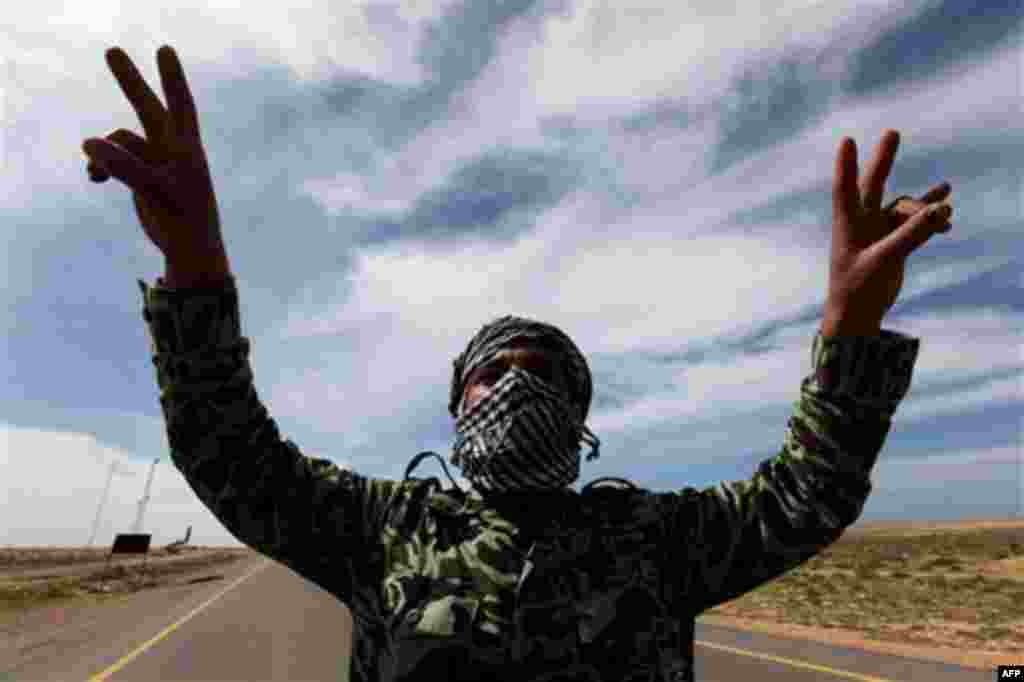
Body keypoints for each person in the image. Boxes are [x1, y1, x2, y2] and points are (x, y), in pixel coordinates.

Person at [82, 45, 954, 682]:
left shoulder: (660, 540)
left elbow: (811, 492)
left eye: (546, 372)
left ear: (585, 421)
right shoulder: (383, 527)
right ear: (456, 404)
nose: (519, 381)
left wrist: (852, 324)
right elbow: (228, 456)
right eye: (494, 371)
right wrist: (195, 263)